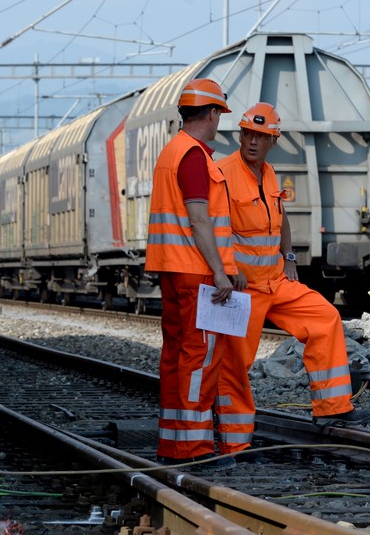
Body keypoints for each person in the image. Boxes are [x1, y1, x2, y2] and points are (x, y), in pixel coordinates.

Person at [216, 102, 370, 450]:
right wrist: (228, 269)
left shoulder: (269, 173)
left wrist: (288, 256)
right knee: (235, 365)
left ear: (274, 140)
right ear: (240, 134)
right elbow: (213, 226)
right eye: (248, 134)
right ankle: (234, 444)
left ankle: (331, 407)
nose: (253, 141)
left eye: (261, 136)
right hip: (243, 289)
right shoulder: (222, 173)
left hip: (275, 281)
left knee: (326, 318)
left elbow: (280, 217)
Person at [144, 78, 246, 468]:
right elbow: (200, 219)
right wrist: (221, 272)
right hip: (196, 272)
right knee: (198, 360)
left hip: (173, 269)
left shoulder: (173, 152)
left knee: (174, 357)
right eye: (220, 112)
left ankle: (173, 444)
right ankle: (194, 450)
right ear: (213, 113)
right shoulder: (194, 156)